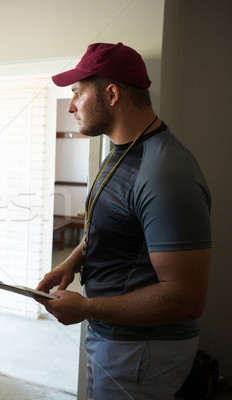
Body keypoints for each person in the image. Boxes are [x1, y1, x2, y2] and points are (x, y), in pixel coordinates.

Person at [35, 43, 211, 400]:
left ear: (111, 94)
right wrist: (72, 262)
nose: (70, 106)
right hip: (114, 337)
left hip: (142, 350)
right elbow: (111, 226)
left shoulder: (164, 171)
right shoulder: (121, 152)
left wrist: (85, 307)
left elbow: (186, 297)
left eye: (78, 94)